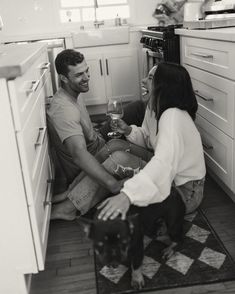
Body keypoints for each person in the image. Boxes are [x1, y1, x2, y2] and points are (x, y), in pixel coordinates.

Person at [47, 49, 150, 220]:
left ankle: (69, 191)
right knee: (124, 157)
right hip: (88, 163)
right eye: (79, 74)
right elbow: (79, 155)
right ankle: (70, 205)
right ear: (64, 78)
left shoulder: (73, 93)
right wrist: (112, 184)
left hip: (98, 145)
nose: (87, 77)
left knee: (138, 109)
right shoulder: (64, 110)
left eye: (87, 70)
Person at [97, 62, 206, 221]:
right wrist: (128, 130)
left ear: (164, 86)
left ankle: (71, 204)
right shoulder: (154, 107)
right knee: (114, 145)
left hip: (185, 192)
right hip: (170, 176)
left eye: (150, 78)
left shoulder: (173, 116)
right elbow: (148, 139)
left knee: (118, 159)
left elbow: (163, 164)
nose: (142, 81)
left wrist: (127, 195)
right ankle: (72, 192)